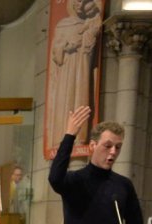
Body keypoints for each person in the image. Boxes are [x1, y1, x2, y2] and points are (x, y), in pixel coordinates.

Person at [47, 0, 102, 148]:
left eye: (82, 3)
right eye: (77, 2)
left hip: (82, 67)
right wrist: (67, 46)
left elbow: (88, 48)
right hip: (66, 69)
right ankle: (63, 135)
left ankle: (80, 137)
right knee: (66, 98)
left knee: (80, 98)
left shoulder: (86, 25)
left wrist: (88, 35)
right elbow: (56, 50)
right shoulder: (63, 25)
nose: (79, 6)